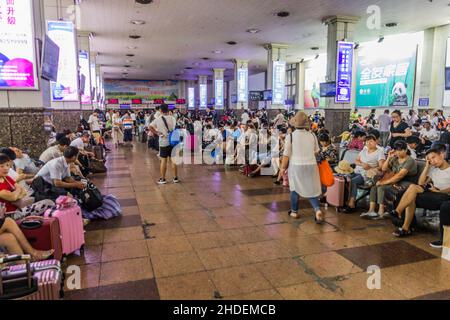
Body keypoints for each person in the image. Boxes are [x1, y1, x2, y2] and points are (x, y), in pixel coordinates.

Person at [391, 147, 450, 238]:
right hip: (434, 193)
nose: (432, 161)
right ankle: (404, 223)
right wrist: (427, 166)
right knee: (412, 188)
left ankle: (400, 216)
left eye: (433, 157)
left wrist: (439, 191)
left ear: (442, 155)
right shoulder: (434, 170)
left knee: (409, 194)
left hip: (445, 196)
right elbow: (421, 183)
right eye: (429, 160)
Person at [281, 112, 324, 223]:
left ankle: (294, 211)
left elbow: (286, 155)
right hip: (311, 165)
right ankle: (317, 210)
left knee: (295, 188)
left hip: (296, 166)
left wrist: (282, 169)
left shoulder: (290, 136)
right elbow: (316, 152)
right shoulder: (312, 135)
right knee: (310, 188)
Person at [361, 140, 417, 220]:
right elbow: (384, 169)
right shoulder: (395, 159)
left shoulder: (409, 160)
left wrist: (383, 182)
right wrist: (389, 158)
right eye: (396, 150)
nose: (398, 152)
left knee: (381, 186)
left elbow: (400, 175)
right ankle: (371, 210)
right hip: (395, 180)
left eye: (400, 150)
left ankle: (381, 211)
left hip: (406, 183)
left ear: (405, 150)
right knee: (374, 186)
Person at [0, 154, 55, 222]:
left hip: (19, 206)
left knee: (46, 198)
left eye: (7, 165)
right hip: (11, 215)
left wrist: (16, 193)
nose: (6, 168)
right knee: (48, 203)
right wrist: (17, 192)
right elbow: (13, 197)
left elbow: (23, 191)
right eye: (1, 166)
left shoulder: (6, 178)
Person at [344, 135, 386, 212]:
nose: (369, 143)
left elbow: (381, 167)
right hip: (357, 171)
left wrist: (370, 167)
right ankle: (344, 201)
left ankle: (351, 203)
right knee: (345, 178)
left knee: (353, 181)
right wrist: (362, 164)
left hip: (367, 174)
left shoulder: (379, 152)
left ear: (376, 142)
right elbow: (356, 160)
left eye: (371, 141)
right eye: (367, 141)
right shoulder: (364, 150)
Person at [149, 104, 179, 185]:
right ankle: (175, 177)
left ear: (160, 111)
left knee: (163, 160)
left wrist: (157, 133)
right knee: (173, 160)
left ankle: (163, 179)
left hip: (163, 142)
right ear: (168, 110)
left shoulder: (158, 119)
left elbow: (150, 127)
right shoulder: (173, 118)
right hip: (173, 141)